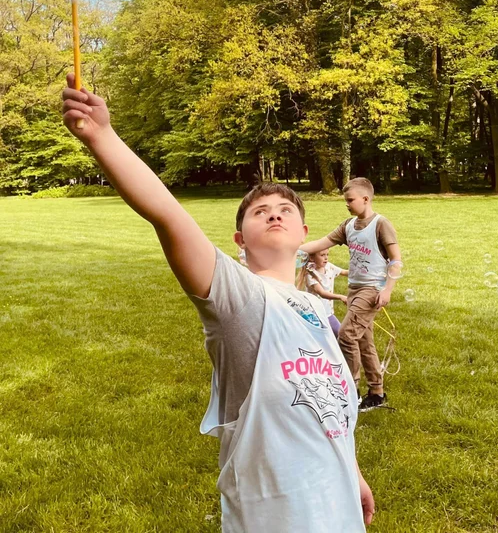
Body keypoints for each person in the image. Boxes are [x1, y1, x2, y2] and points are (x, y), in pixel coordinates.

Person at [61, 75, 374, 533]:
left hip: (338, 507)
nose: (274, 213)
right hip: (276, 517)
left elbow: (330, 406)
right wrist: (102, 135)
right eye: (259, 211)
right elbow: (167, 214)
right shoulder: (239, 297)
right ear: (239, 240)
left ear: (304, 236)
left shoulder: (314, 312)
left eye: (287, 210)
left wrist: (354, 473)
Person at [302, 177, 401, 411]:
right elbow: (320, 243)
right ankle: (377, 393)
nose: (346, 204)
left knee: (346, 336)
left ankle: (350, 391)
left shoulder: (380, 224)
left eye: (350, 200)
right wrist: (288, 248)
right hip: (354, 289)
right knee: (365, 342)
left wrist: (387, 289)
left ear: (365, 199)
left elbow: (396, 260)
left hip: (372, 290)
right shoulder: (348, 226)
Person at [304, 249, 348, 337]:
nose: (326, 258)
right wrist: (340, 297)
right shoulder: (310, 274)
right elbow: (322, 293)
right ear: (312, 258)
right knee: (319, 338)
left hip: (328, 313)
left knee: (340, 335)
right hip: (315, 315)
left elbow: (344, 272)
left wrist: (361, 273)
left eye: (327, 254)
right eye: (322, 255)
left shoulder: (329, 267)